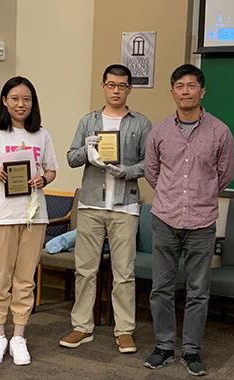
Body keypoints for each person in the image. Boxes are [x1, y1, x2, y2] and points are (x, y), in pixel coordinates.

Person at [143, 64, 234, 376]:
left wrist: (199, 195)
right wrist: (173, 196)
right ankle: (165, 346)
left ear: (202, 91)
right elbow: (152, 172)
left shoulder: (220, 132)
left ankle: (192, 351)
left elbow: (225, 175)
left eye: (191, 85)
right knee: (161, 288)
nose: (185, 91)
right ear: (172, 92)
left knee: (198, 291)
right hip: (165, 219)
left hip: (202, 222)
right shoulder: (159, 131)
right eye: (179, 86)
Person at [59, 64, 152, 353]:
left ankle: (124, 330)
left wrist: (127, 170)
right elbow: (71, 158)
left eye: (122, 85)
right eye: (111, 84)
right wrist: (87, 150)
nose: (116, 90)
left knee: (123, 272)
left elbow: (150, 164)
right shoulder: (88, 121)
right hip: (90, 204)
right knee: (85, 269)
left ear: (128, 89)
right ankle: (81, 327)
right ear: (103, 86)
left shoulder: (141, 123)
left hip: (125, 206)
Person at [0, 76, 58, 366]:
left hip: (34, 215)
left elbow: (51, 170)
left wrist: (43, 178)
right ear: (5, 102)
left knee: (25, 279)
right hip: (0, 215)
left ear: (33, 103)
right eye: (15, 98)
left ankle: (18, 336)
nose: (21, 104)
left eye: (27, 99)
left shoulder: (42, 134)